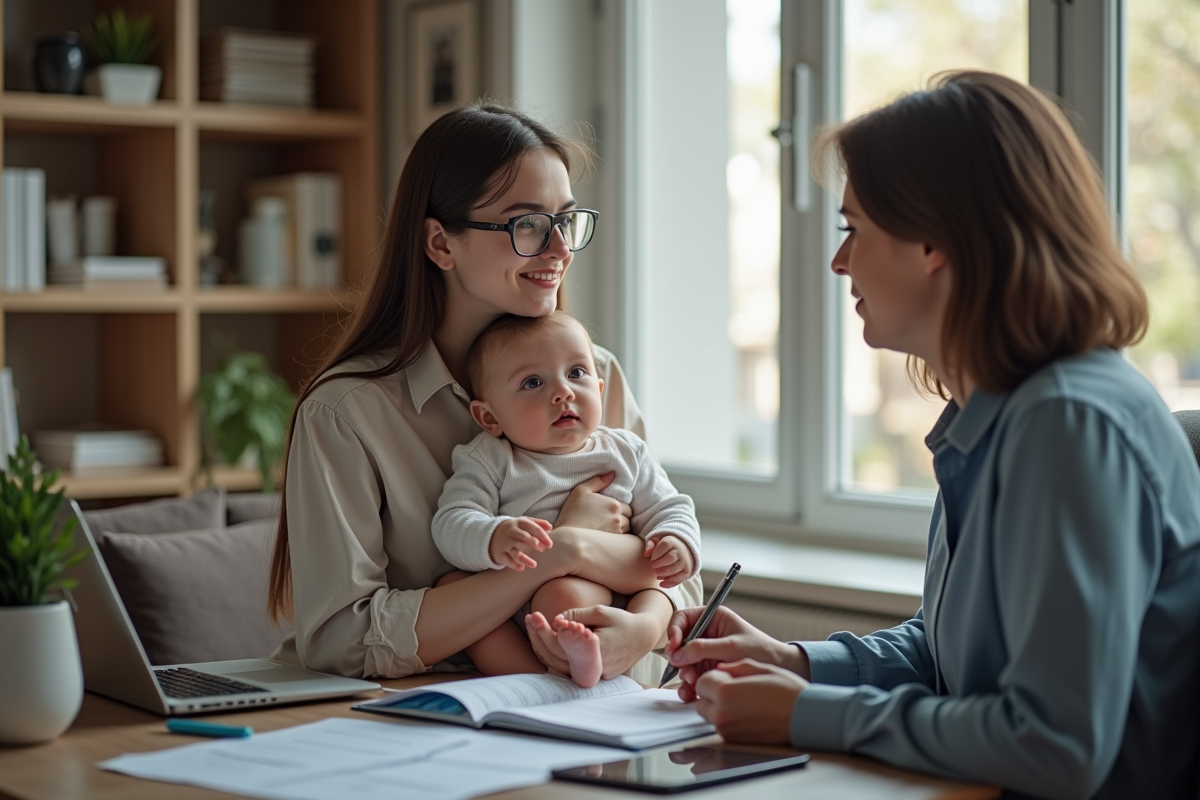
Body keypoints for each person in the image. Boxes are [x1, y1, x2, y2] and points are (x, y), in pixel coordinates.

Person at [664, 71, 1200, 799]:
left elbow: (1055, 746)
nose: (838, 261)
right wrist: (796, 663)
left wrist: (809, 715)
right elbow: (952, 658)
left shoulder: (1069, 424)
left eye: (854, 228)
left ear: (934, 240)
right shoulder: (996, 413)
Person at [266, 103, 704, 686]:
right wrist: (565, 549)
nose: (559, 251)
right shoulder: (346, 414)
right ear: (441, 244)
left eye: (564, 222)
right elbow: (341, 640)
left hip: (577, 716)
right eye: (526, 225)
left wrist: (645, 631)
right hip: (393, 721)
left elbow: (679, 571)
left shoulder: (596, 376)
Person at [432, 311, 701, 688]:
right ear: (488, 416)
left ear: (600, 392)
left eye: (576, 373)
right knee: (449, 586)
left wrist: (676, 540)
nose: (563, 392)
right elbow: (451, 521)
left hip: (606, 591)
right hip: (513, 600)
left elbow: (670, 506)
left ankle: (583, 666)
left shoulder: (624, 451)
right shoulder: (490, 458)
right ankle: (535, 680)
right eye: (532, 382)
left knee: (636, 592)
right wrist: (492, 536)